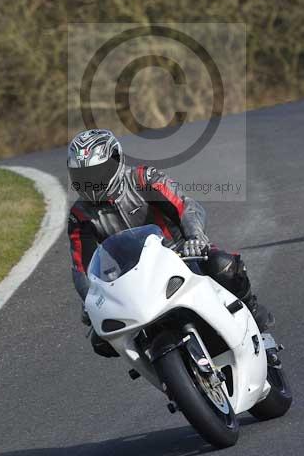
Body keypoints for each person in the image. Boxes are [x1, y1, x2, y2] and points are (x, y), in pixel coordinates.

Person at [67, 128, 273, 357]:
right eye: (82, 177)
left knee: (223, 266)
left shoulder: (143, 179)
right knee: (102, 339)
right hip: (131, 282)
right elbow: (81, 267)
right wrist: (89, 300)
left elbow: (185, 206)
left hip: (180, 256)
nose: (90, 183)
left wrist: (195, 237)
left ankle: (254, 316)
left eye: (96, 173)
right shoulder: (80, 214)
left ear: (116, 162)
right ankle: (154, 364)